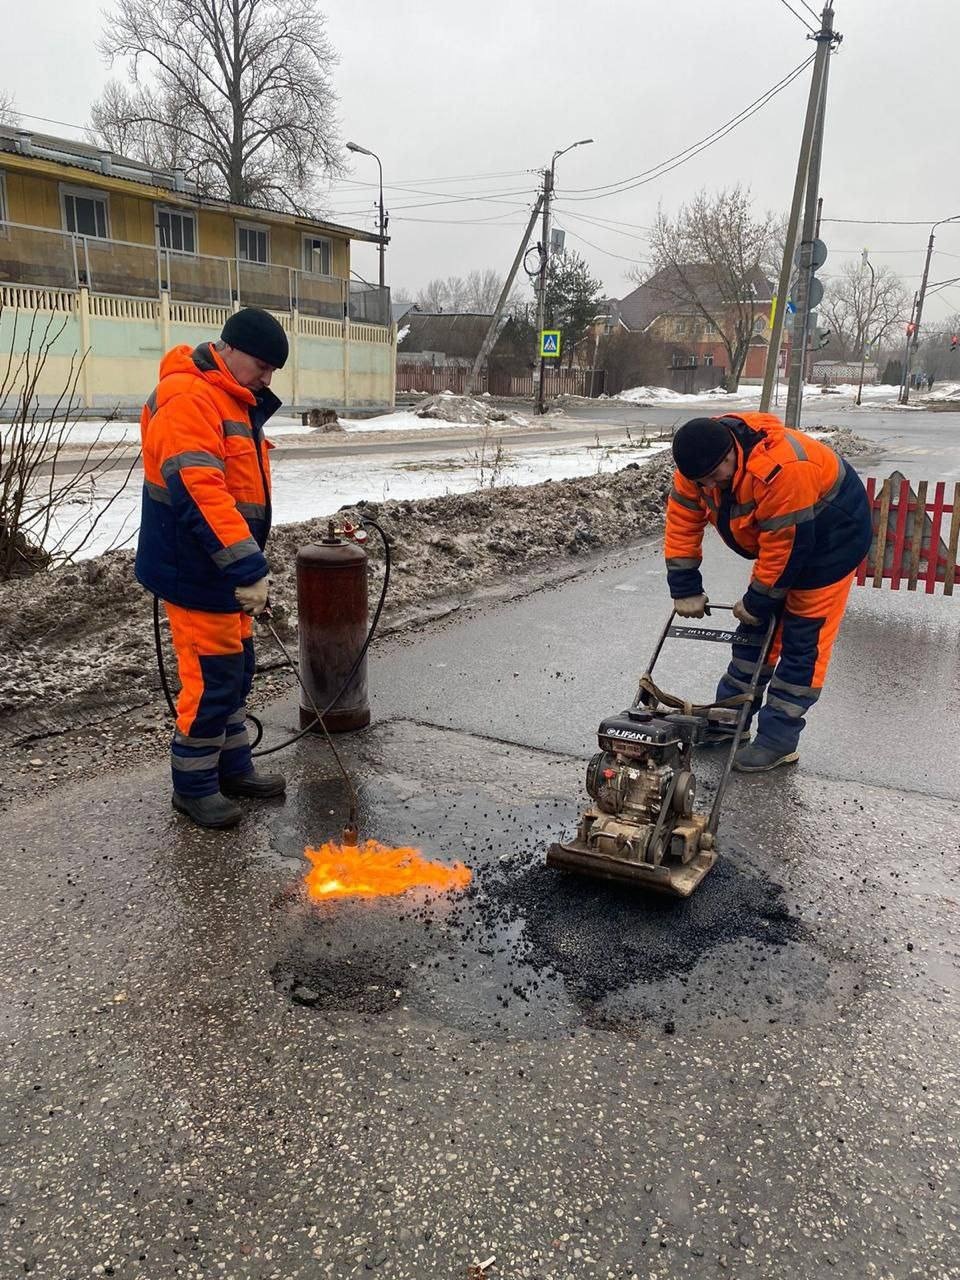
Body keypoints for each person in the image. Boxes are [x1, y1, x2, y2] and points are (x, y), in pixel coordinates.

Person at [135, 307, 290, 828]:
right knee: (210, 679)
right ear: (230, 349)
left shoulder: (232, 397)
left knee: (236, 671)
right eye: (263, 366)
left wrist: (243, 567)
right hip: (195, 568)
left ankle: (232, 767)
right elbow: (202, 494)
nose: (268, 378)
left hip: (220, 568)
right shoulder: (188, 397)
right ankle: (195, 786)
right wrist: (248, 567)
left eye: (274, 371)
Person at [664, 411, 872, 772]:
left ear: (732, 449)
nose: (714, 484)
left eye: (719, 473)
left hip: (833, 540)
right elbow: (683, 523)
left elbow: (787, 548)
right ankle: (729, 720)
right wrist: (684, 586)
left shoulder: (781, 467)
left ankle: (778, 740)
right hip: (782, 538)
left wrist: (758, 600)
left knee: (802, 642)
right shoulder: (694, 470)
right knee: (753, 634)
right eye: (704, 480)